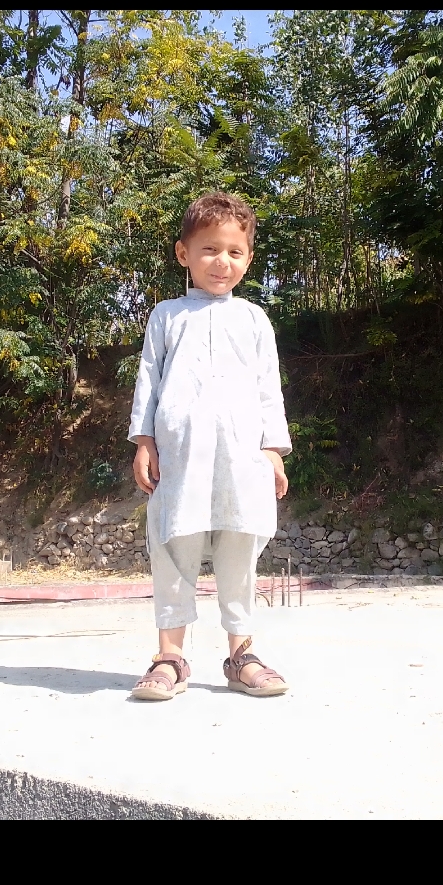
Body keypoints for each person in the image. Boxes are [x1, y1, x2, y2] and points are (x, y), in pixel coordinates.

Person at [128, 193, 291, 701]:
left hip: (241, 459)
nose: (222, 262)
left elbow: (269, 388)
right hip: (180, 457)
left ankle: (242, 655)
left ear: (248, 258)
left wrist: (273, 450)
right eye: (209, 249)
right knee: (173, 548)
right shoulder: (167, 316)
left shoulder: (254, 319)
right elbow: (148, 381)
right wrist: (145, 441)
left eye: (234, 252)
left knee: (239, 551)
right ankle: (169, 657)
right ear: (184, 254)